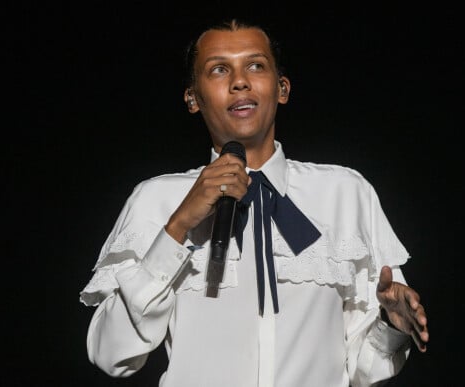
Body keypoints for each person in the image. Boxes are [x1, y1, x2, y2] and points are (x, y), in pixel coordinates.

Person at [79, 18, 429, 387]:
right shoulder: (156, 199)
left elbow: (363, 367)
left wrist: (390, 326)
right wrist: (178, 227)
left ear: (282, 89)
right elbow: (111, 355)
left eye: (256, 65)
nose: (240, 81)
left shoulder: (344, 192)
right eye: (218, 69)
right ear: (192, 98)